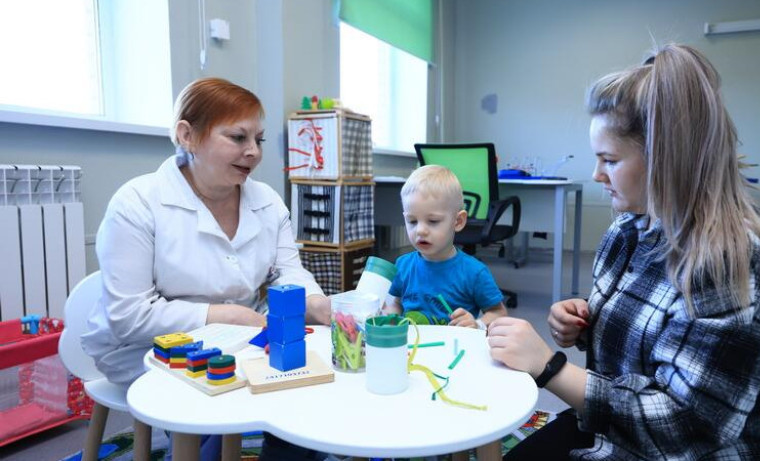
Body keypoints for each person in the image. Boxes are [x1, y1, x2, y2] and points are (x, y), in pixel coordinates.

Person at [488, 44, 760, 459]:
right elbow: (660, 330)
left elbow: (685, 428)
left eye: (609, 160)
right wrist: (586, 321)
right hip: (621, 427)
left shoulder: (737, 262)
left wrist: (549, 367)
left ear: (665, 158)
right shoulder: (630, 227)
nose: (596, 174)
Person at [80, 77, 331, 460]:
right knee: (215, 397)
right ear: (187, 136)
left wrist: (313, 302)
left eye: (259, 139)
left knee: (305, 381)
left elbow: (288, 272)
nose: (254, 152)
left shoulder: (267, 201)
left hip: (241, 334)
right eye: (238, 137)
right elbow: (129, 317)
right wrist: (227, 315)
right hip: (144, 345)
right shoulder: (137, 203)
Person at [385, 165, 508, 329]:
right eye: (412, 221)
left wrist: (477, 324)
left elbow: (499, 312)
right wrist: (389, 318)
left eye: (433, 221)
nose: (420, 230)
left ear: (458, 221)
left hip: (454, 344)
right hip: (413, 344)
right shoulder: (403, 265)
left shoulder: (474, 272)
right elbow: (396, 303)